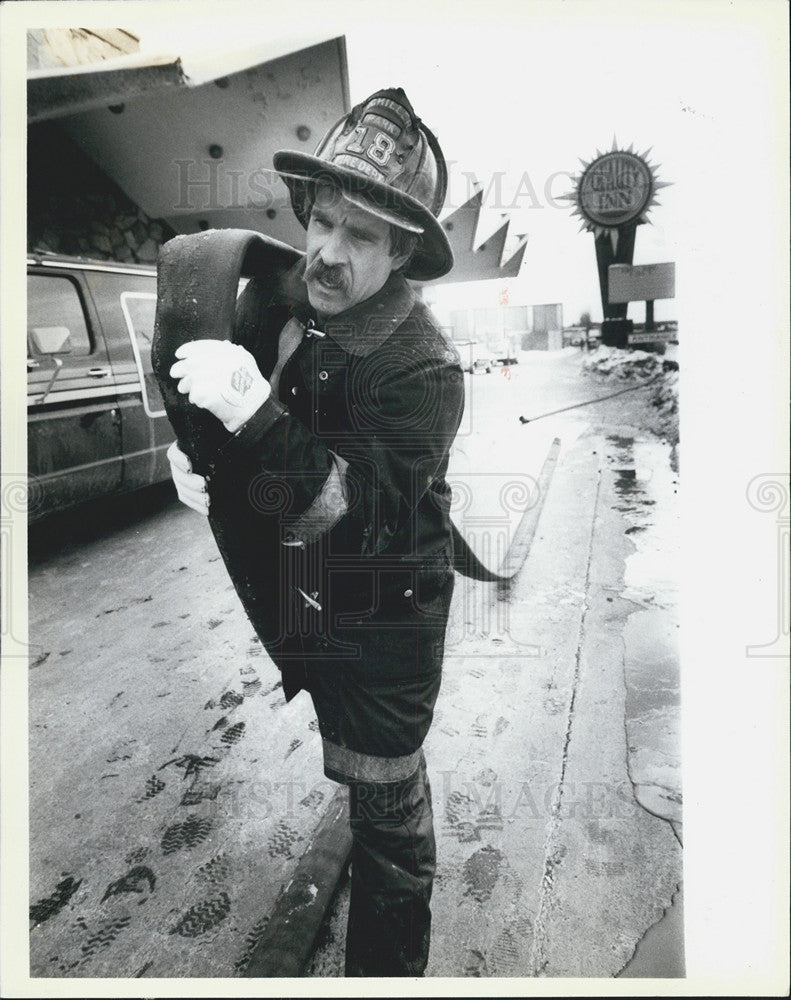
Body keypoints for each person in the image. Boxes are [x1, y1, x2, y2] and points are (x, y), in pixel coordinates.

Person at [166, 87, 463, 976]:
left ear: (401, 249)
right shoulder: (282, 292)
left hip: (384, 617)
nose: (328, 254)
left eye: (361, 236)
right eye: (323, 220)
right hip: (304, 597)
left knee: (387, 821)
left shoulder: (424, 371)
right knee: (344, 759)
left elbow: (358, 518)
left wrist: (253, 419)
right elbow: (222, 399)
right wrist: (208, 465)